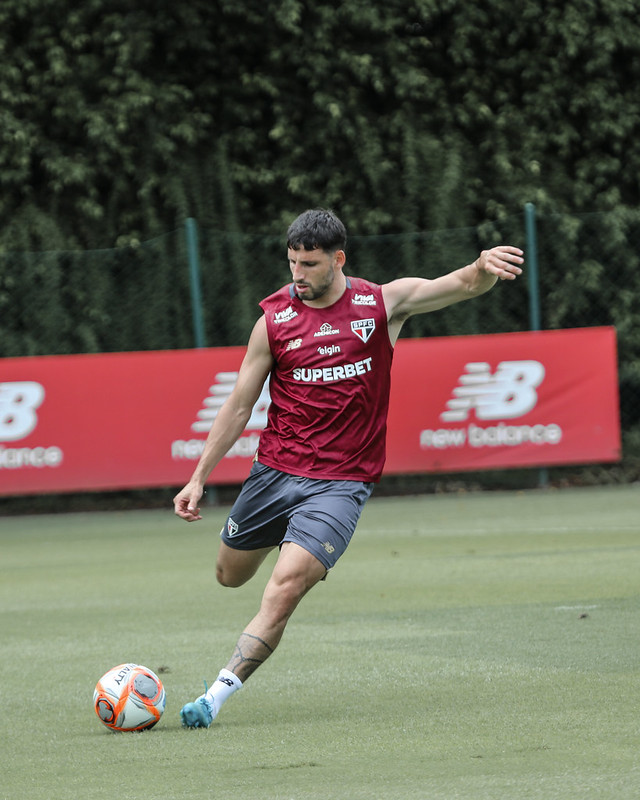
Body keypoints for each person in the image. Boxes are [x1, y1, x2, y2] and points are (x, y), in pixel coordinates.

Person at [174, 208, 523, 728]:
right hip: (274, 472)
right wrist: (198, 476)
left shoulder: (381, 303)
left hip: (340, 483)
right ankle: (285, 536)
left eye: (310, 264)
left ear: (338, 259)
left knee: (285, 587)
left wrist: (482, 267)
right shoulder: (273, 321)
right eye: (292, 263)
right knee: (230, 575)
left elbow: (462, 285)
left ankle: (215, 697)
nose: (298, 275)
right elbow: (240, 405)